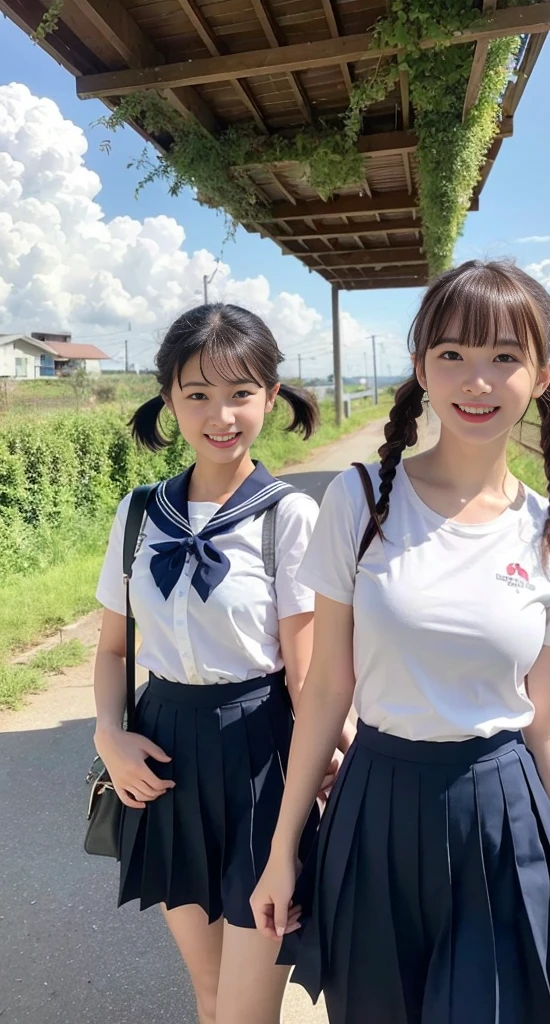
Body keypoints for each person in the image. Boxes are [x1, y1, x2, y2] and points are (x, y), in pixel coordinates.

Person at [251, 260, 550, 1024]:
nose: (476, 381)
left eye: (504, 357)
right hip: (375, 805)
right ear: (421, 369)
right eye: (452, 354)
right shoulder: (359, 501)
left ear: (543, 375)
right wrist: (284, 847)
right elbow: (325, 690)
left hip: (502, 814)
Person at [93, 303, 339, 1024]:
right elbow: (112, 648)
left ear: (271, 395)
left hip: (261, 758)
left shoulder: (287, 516)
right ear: (168, 399)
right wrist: (109, 735)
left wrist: (329, 763)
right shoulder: (138, 513)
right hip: (164, 758)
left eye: (239, 393)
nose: (219, 414)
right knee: (209, 995)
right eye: (197, 394)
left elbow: (307, 674)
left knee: (245, 1006)